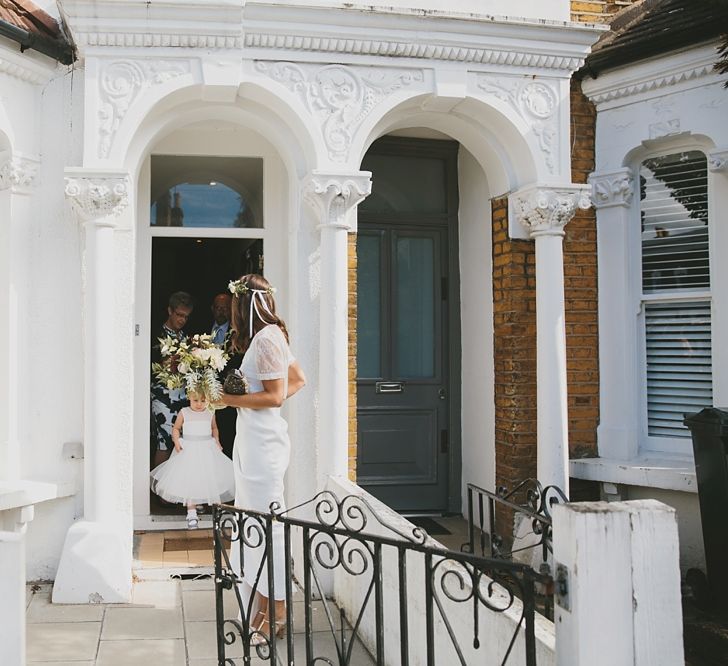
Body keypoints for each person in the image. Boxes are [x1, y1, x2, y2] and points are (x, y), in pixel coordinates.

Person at [218, 274, 306, 644]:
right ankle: (265, 606)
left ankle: (277, 612)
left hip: (263, 447)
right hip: (254, 442)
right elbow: (297, 380)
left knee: (267, 527)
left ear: (244, 305)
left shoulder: (267, 338)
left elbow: (276, 396)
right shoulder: (268, 337)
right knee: (256, 526)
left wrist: (232, 399)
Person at [150, 392, 234, 528]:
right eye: (196, 400)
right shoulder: (184, 412)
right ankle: (191, 512)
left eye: (203, 400)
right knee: (190, 479)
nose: (199, 404)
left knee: (205, 477)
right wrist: (176, 441)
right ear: (189, 397)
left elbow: (214, 428)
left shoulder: (210, 412)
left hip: (206, 448)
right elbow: (176, 428)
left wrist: (217, 440)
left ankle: (200, 501)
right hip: (189, 449)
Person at [151, 291, 194, 469]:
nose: (182, 320)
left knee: (181, 441)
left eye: (186, 316)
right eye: (179, 315)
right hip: (162, 396)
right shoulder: (156, 335)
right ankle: (157, 489)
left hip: (182, 397)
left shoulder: (185, 337)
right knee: (164, 441)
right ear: (170, 311)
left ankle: (173, 491)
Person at [209, 293, 237, 459]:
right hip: (203, 392)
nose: (221, 312)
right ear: (212, 309)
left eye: (225, 308)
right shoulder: (201, 328)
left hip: (226, 392)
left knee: (225, 433)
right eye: (218, 308)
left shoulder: (236, 332)